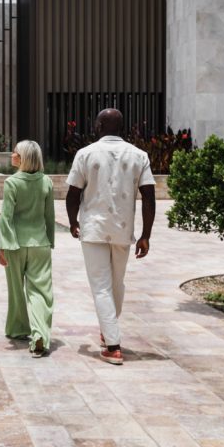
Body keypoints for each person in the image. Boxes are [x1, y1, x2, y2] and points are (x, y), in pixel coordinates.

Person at [65, 109, 155, 365]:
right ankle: (108, 330)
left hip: (93, 229)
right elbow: (149, 196)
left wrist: (73, 222)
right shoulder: (140, 155)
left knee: (102, 287)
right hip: (123, 230)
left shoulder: (85, 154)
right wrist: (145, 235)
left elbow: (73, 193)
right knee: (117, 284)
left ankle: (113, 346)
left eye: (96, 122)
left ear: (101, 125)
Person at [0, 139, 55, 358]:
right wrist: (50, 241)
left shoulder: (12, 183)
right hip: (40, 244)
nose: (11, 154)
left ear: (22, 159)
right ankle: (39, 334)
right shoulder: (46, 182)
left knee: (16, 290)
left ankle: (18, 329)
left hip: (15, 245)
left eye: (15, 152)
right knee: (41, 292)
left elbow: (6, 218)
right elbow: (50, 217)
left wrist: (2, 246)